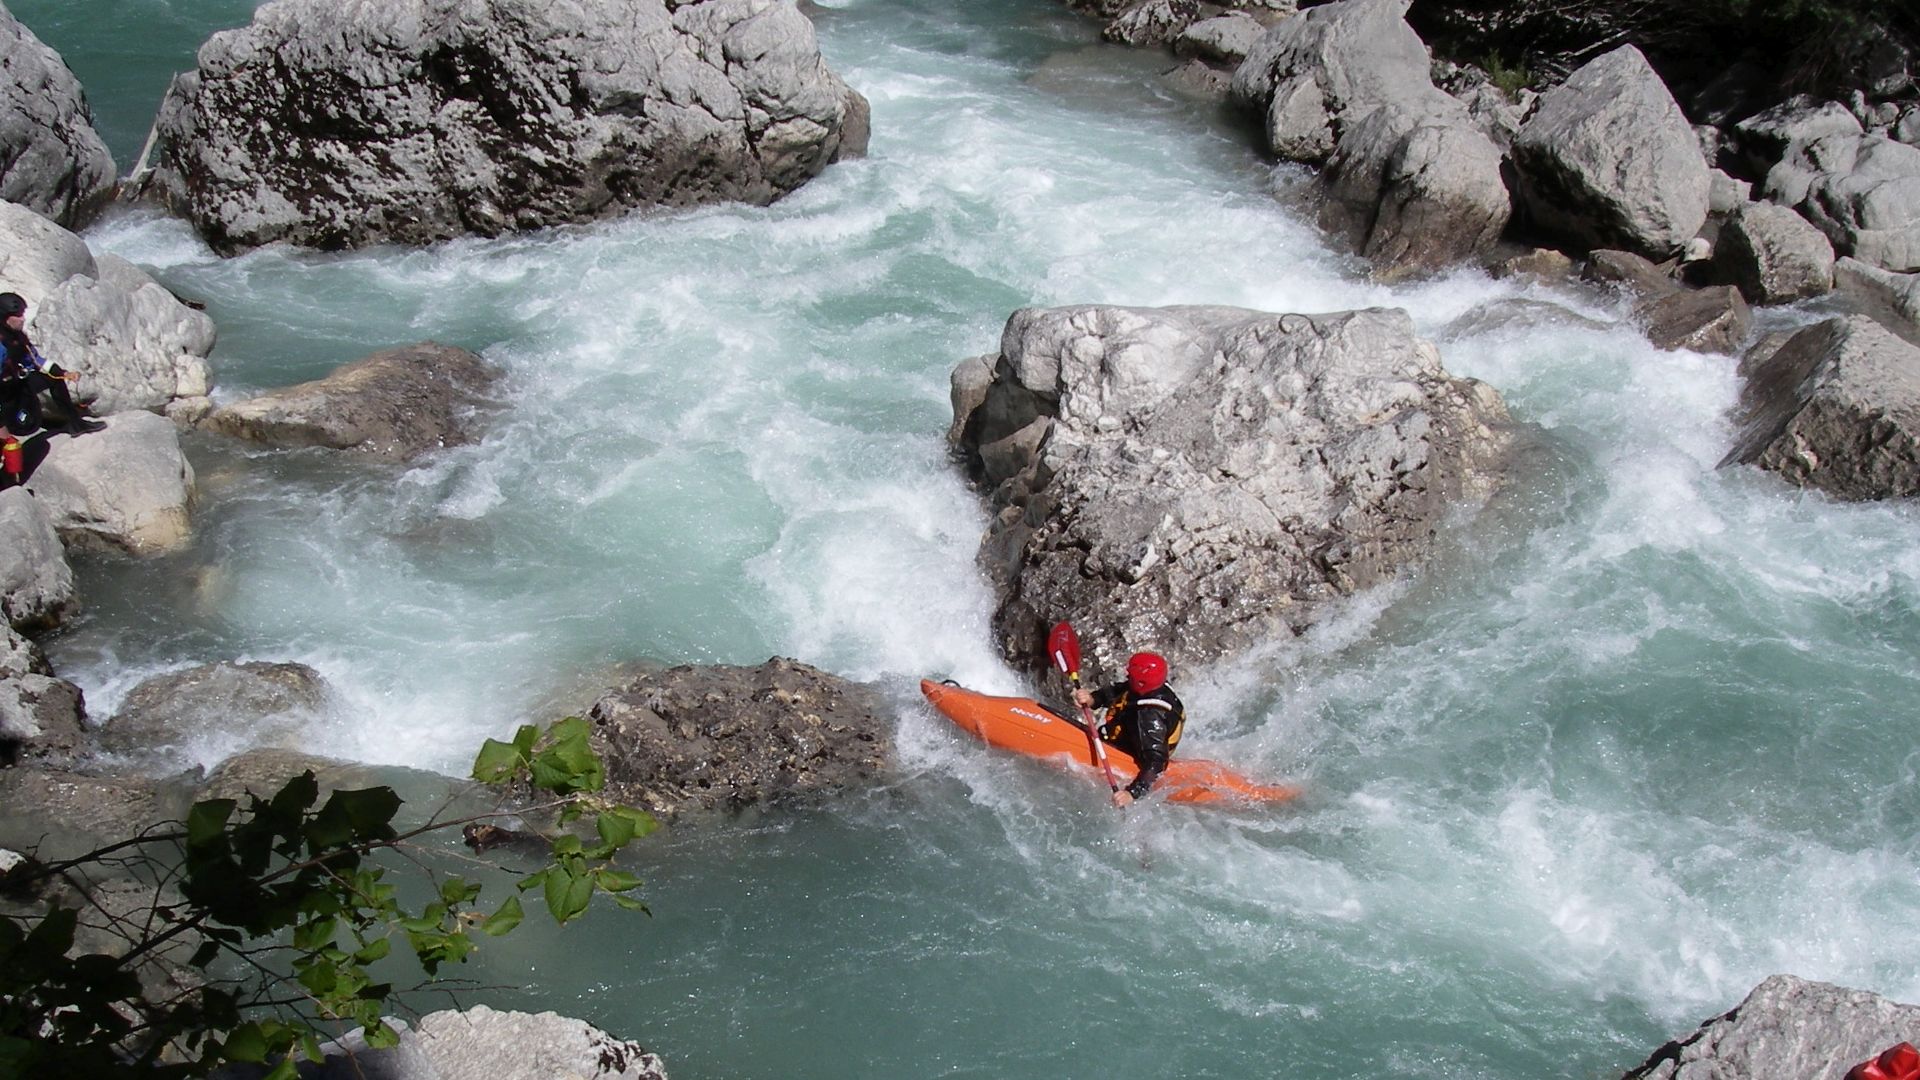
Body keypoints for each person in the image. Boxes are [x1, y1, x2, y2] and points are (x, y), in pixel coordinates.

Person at [1073, 651, 1185, 808]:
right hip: (1127, 740)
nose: (1127, 676)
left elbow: (1157, 761)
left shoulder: (1149, 717)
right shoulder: (1148, 687)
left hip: (1131, 754)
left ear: (1141, 682)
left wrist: (1132, 793)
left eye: (1131, 676)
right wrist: (1093, 699)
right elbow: (1118, 691)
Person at [0, 292, 104, 437]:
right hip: (4, 392)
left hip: (17, 383)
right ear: (4, 317)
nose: (23, 319)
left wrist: (62, 373)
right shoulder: (1, 345)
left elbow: (35, 360)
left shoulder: (17, 337)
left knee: (54, 377)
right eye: (18, 315)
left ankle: (76, 424)